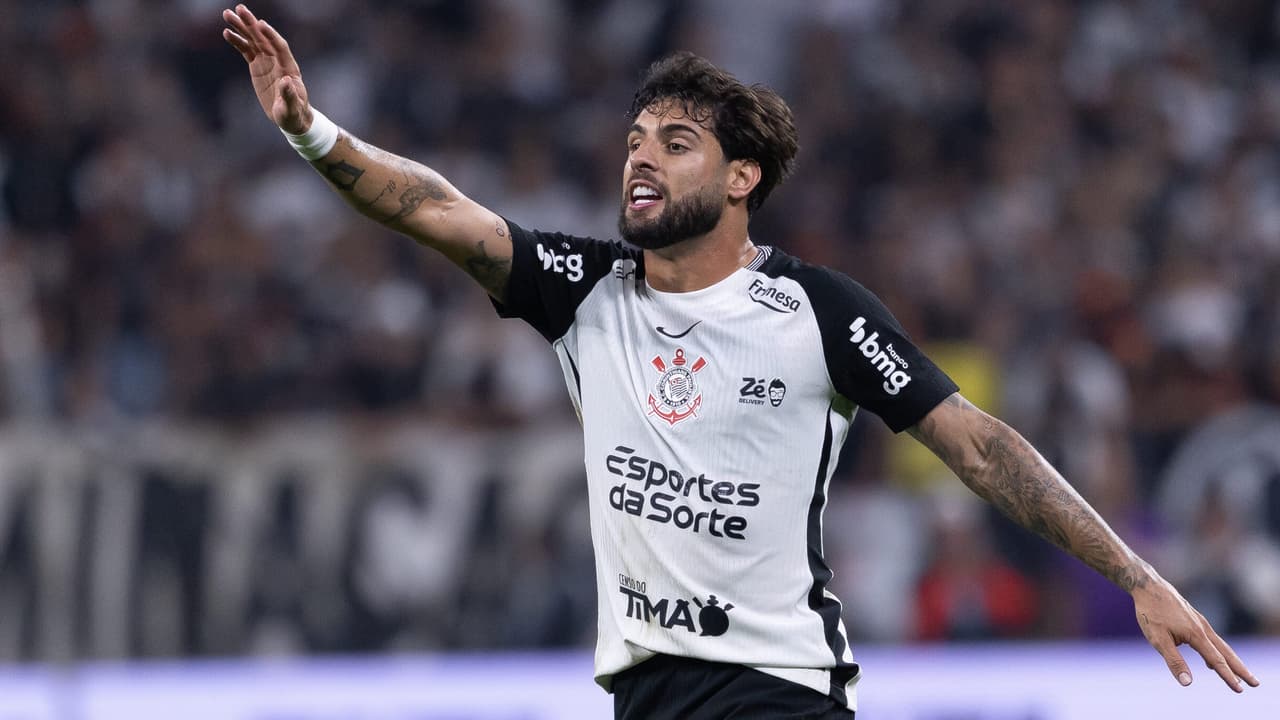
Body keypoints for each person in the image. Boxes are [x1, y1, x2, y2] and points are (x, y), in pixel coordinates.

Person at [221, 5, 1259, 717]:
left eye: (674, 141)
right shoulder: (585, 292)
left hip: (776, 689)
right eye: (635, 136)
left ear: (738, 178)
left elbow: (979, 447)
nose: (639, 154)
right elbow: (432, 209)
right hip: (643, 693)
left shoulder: (816, 312)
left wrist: (1134, 575)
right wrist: (312, 133)